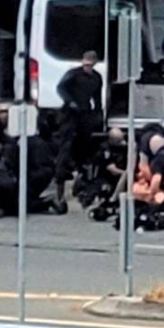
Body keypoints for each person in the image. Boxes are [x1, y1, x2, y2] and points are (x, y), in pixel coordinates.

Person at [53, 50, 104, 210]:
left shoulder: (96, 78)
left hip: (84, 114)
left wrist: (98, 113)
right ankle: (60, 184)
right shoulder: (73, 74)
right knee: (65, 146)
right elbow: (61, 88)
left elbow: (96, 97)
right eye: (86, 64)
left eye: (90, 64)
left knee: (84, 147)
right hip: (70, 114)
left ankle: (80, 178)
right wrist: (69, 101)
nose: (87, 67)